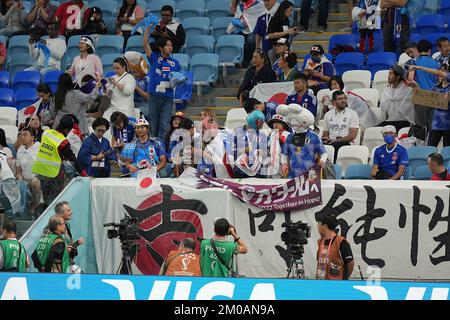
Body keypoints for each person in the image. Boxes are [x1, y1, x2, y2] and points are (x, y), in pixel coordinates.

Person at [31, 114, 87, 207]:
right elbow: (72, 159)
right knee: (55, 202)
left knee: (46, 200)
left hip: (41, 171)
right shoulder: (63, 142)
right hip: (54, 174)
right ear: (66, 130)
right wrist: (84, 174)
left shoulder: (46, 133)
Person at [144, 27, 181, 140]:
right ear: (161, 48)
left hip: (168, 97)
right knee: (153, 125)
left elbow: (177, 80)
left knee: (165, 125)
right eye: (167, 45)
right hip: (154, 96)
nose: (170, 47)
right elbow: (146, 45)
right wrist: (147, 31)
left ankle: (162, 150)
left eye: (171, 45)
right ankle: (153, 150)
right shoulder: (154, 58)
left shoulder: (175, 63)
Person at [279, 105, 327, 178]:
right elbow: (284, 154)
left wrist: (322, 161)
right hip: (292, 175)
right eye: (293, 126)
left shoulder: (314, 136)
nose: (295, 128)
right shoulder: (289, 137)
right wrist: (284, 163)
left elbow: (323, 153)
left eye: (297, 126)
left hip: (310, 175)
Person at [406, 40, 439, 131]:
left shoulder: (413, 62)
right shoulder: (436, 63)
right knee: (432, 127)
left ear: (418, 50)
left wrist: (416, 85)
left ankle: (421, 145)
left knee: (420, 127)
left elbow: (410, 80)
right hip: (435, 96)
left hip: (420, 95)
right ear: (430, 50)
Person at [322, 90, 360, 163]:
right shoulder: (328, 114)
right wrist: (326, 140)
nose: (343, 101)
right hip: (331, 142)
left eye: (344, 98)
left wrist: (337, 140)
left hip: (346, 142)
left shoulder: (352, 114)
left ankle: (333, 168)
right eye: (340, 99)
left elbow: (352, 136)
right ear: (333, 102)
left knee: (336, 145)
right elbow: (325, 134)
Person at [316, 215, 354, 280]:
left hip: (337, 283)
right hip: (322, 282)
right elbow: (319, 261)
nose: (317, 227)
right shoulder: (320, 241)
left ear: (325, 226)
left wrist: (345, 278)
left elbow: (350, 262)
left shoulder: (341, 241)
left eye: (319, 224)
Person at [15, 128, 42, 217]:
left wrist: (37, 177)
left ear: (32, 137)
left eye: (25, 135)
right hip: (24, 180)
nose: (22, 137)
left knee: (37, 184)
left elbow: (44, 168)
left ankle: (33, 208)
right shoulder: (20, 150)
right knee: (18, 185)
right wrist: (20, 180)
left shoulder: (40, 149)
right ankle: (21, 212)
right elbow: (18, 171)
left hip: (36, 178)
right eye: (21, 135)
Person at [379, 64, 414, 132]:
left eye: (391, 74)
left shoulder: (407, 90)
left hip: (403, 122)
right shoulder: (387, 89)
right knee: (374, 130)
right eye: (389, 74)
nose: (388, 77)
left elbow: (408, 110)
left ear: (398, 76)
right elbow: (384, 108)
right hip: (389, 122)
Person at [101, 56, 137, 121]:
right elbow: (105, 92)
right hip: (111, 107)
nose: (115, 70)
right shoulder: (112, 77)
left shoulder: (130, 78)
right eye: (114, 68)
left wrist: (116, 84)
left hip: (124, 109)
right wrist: (103, 85)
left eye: (117, 68)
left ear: (124, 67)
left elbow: (128, 91)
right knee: (106, 126)